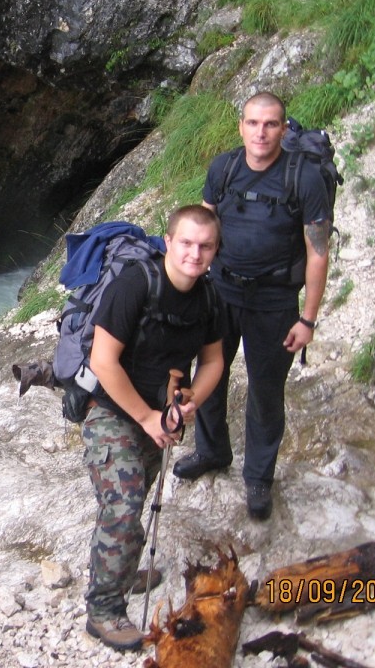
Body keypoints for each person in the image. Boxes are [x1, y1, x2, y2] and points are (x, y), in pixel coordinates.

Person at [172, 91, 331, 521]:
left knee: (265, 390)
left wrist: (308, 319)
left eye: (271, 124)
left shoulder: (304, 179)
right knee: (209, 376)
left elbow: (317, 252)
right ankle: (211, 451)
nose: (261, 133)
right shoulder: (223, 168)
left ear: (283, 128)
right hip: (220, 293)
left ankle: (259, 476)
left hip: (275, 301)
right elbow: (201, 230)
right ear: (240, 126)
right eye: (253, 123)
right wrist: (185, 288)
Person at [82, 205, 224, 650]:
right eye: (186, 243)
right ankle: (103, 610)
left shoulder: (209, 298)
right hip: (112, 410)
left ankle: (120, 568)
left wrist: (190, 403)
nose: (194, 254)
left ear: (215, 251)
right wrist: (145, 417)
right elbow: (102, 361)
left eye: (204, 246)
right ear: (168, 241)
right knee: (123, 507)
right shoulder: (135, 285)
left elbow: (214, 360)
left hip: (160, 416)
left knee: (136, 498)